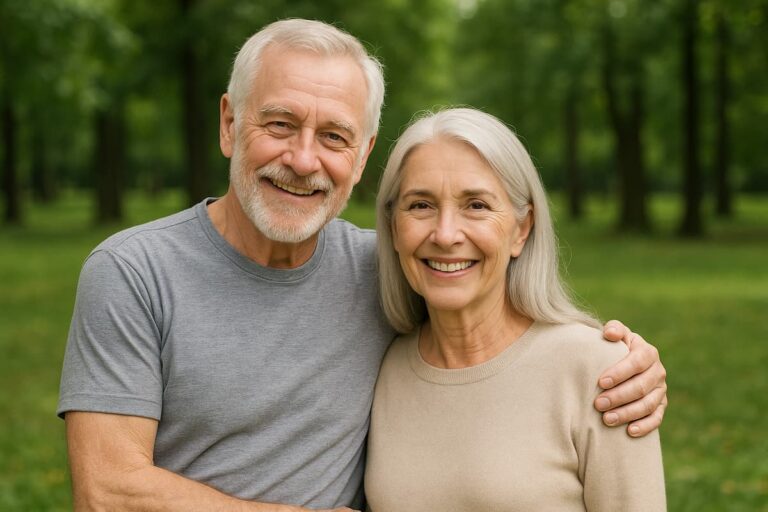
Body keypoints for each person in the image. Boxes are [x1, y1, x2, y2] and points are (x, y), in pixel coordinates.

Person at [57, 19, 667, 512]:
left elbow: (499, 324)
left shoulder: (389, 269)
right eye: (280, 124)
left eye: (333, 137)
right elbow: (108, 493)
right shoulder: (133, 272)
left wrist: (628, 361)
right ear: (229, 123)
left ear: (364, 152)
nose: (302, 159)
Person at [365, 108, 666, 511]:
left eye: (476, 205)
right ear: (393, 229)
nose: (446, 234)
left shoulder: (603, 372)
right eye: (421, 205)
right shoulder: (383, 366)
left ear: (521, 230)